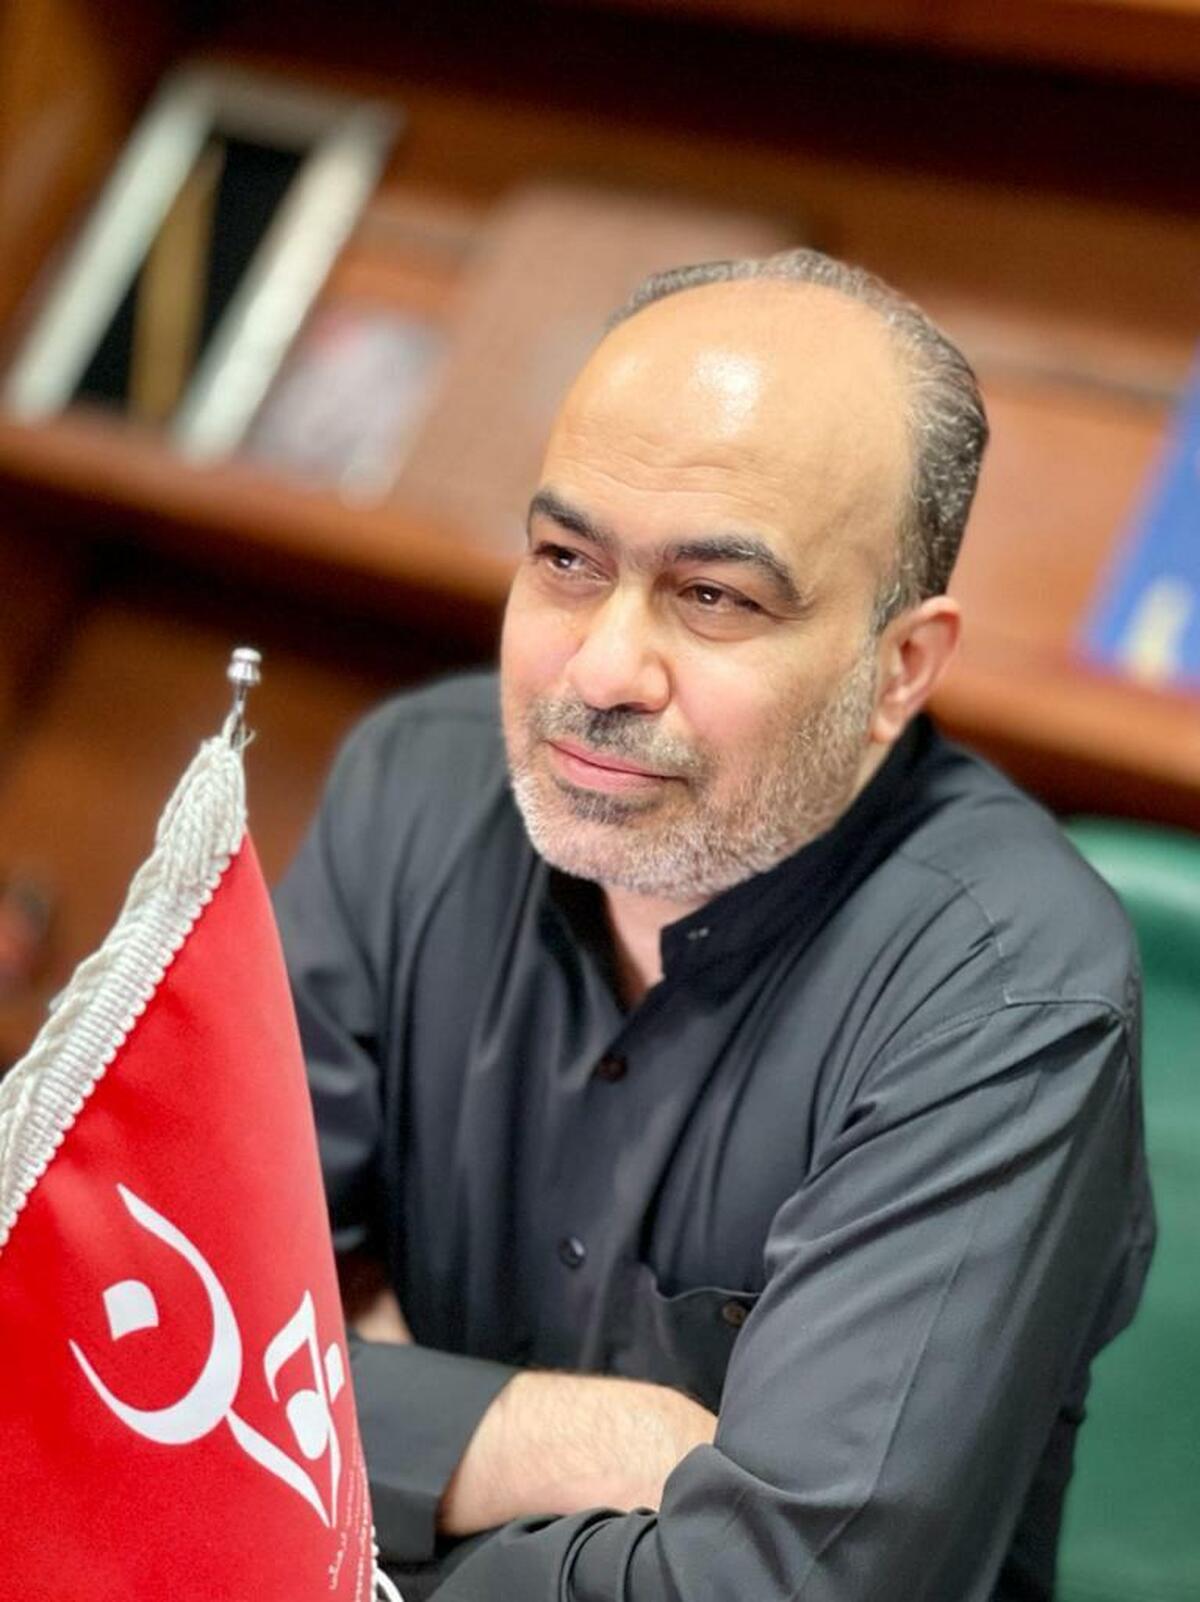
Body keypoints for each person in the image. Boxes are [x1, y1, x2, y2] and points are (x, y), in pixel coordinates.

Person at [275, 249, 1154, 1602]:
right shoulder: (413, 787)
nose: (602, 670)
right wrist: (570, 1440)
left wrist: (367, 1420)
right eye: (567, 560)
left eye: (715, 596)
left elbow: (785, 1585)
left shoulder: (1006, 986)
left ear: (898, 667)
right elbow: (142, 1326)